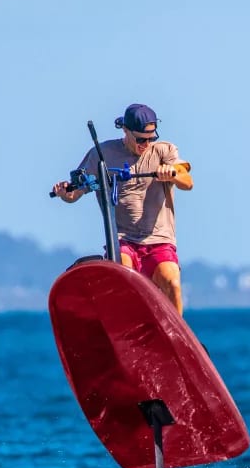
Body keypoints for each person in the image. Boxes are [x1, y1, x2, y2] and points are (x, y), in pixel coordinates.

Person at [53, 103, 194, 315]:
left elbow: (187, 180)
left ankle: (176, 336)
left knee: (172, 282)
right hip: (123, 241)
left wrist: (171, 172)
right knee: (126, 279)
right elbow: (74, 193)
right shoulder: (102, 155)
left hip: (159, 241)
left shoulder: (164, 150)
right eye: (140, 139)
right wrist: (65, 192)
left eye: (150, 138)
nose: (146, 144)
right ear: (125, 131)